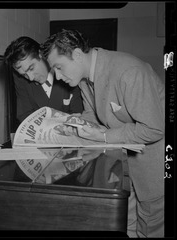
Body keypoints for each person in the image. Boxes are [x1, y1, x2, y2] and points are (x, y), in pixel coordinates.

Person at [40, 29, 164, 238]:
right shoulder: (84, 79)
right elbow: (93, 115)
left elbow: (154, 128)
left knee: (150, 229)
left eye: (58, 68)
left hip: (152, 168)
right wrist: (66, 124)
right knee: (127, 223)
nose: (58, 77)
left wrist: (105, 137)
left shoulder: (128, 71)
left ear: (77, 55)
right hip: (125, 167)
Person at [4, 36, 84, 123]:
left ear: (41, 54)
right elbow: (24, 114)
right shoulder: (21, 79)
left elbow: (79, 111)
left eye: (31, 68)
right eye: (24, 75)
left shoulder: (66, 68)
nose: (30, 78)